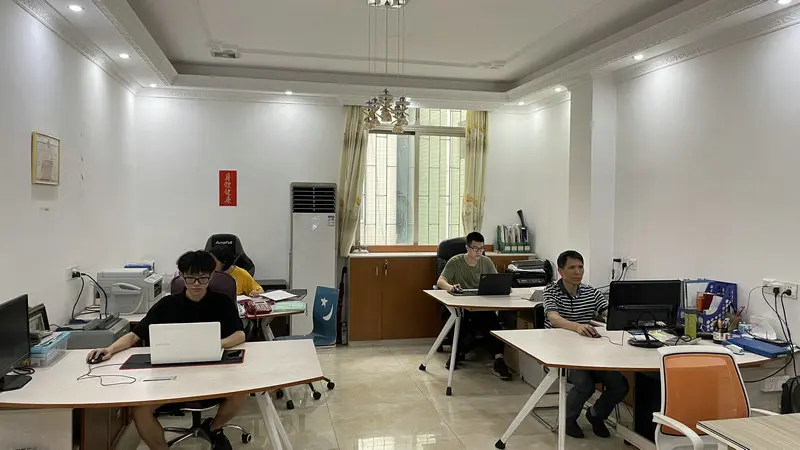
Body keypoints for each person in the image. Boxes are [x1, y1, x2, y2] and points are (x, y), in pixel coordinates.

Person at [86, 250, 246, 450]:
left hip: (213, 371)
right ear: (181, 276)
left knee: (240, 395)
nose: (196, 283)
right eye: (190, 278)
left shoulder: (222, 302)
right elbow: (135, 335)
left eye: (203, 278)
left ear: (211, 275)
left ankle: (213, 427)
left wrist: (215, 344)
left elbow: (240, 334)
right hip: (172, 375)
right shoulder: (167, 305)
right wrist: (110, 349)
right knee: (140, 410)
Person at [543, 250, 629, 439]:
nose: (577, 272)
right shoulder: (551, 291)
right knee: (585, 384)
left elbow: (608, 312)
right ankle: (567, 420)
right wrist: (577, 327)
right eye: (572, 267)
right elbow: (554, 318)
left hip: (590, 353)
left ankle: (596, 415)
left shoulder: (591, 292)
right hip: (560, 353)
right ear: (561, 271)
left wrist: (625, 318)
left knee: (620, 385)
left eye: (580, 267)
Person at [436, 231, 512, 381]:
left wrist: (504, 287)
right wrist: (451, 287)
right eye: (475, 248)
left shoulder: (486, 262)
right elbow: (440, 281)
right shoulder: (455, 261)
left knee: (494, 324)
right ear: (467, 248)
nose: (478, 252)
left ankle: (499, 360)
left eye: (481, 248)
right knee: (462, 322)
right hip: (462, 305)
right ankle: (457, 352)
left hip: (482, 304)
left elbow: (495, 280)